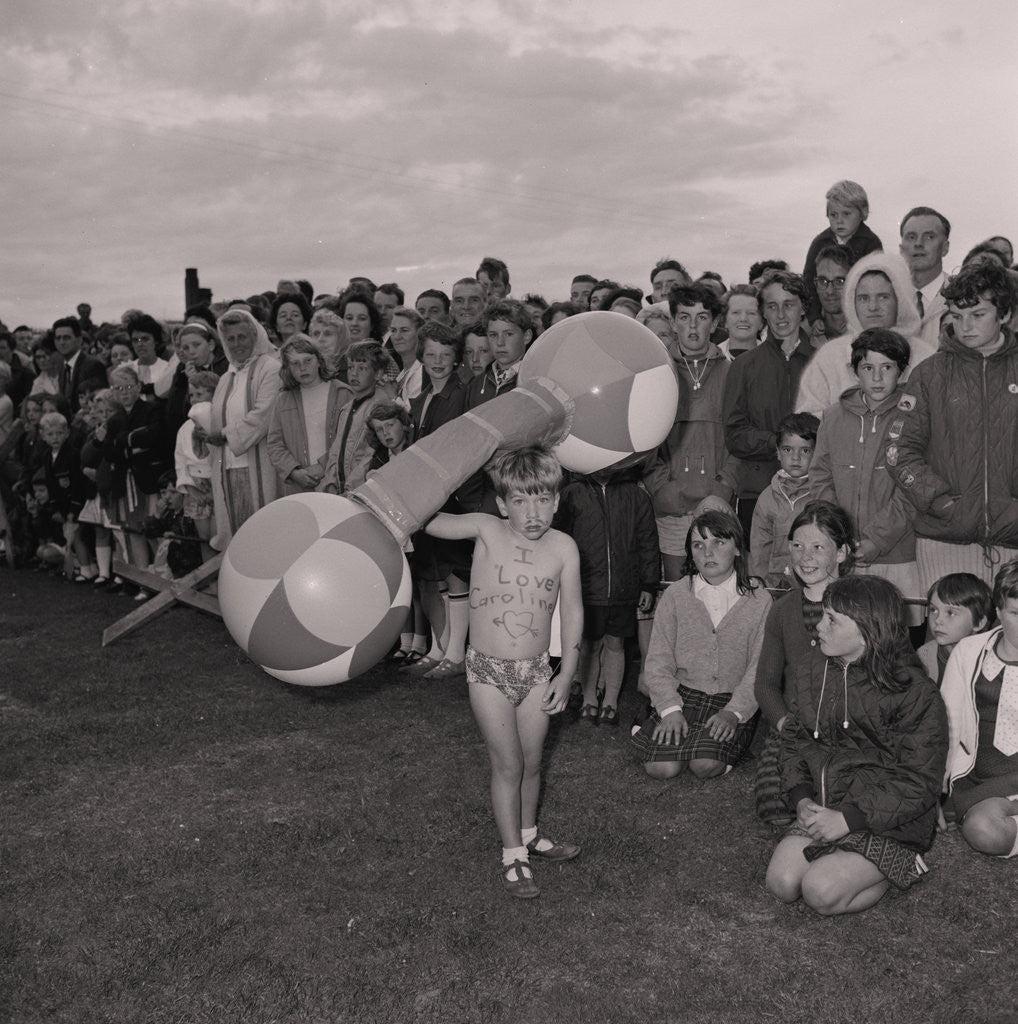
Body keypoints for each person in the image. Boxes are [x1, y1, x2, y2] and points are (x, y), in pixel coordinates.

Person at [423, 447, 582, 899]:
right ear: (500, 503)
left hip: (536, 671)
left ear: (556, 500)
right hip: (488, 671)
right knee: (507, 763)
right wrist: (417, 473)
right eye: (519, 501)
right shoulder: (485, 530)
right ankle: (513, 854)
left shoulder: (563, 547)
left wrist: (565, 673)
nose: (532, 513)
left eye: (542, 500)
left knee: (532, 762)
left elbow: (572, 612)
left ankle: (529, 832)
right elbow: (428, 519)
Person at [765, 576, 947, 915]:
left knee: (820, 892)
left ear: (866, 630)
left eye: (831, 619)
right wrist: (801, 797)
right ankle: (841, 857)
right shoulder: (811, 668)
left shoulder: (915, 692)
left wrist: (849, 819)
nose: (818, 625)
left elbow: (918, 781)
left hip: (889, 822)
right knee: (783, 883)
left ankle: (904, 863)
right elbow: (793, 740)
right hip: (824, 806)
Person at [887, 259, 1018, 591]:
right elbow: (898, 450)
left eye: (978, 315)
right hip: (943, 541)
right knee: (949, 642)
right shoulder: (929, 374)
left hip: (1014, 540)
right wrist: (940, 501)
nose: (966, 326)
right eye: (958, 317)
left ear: (1004, 314)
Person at [632, 509, 771, 779]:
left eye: (718, 542)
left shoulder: (759, 600)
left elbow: (759, 667)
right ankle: (652, 715)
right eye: (699, 545)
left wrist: (734, 712)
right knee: (661, 769)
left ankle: (728, 742)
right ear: (691, 554)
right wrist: (671, 710)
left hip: (732, 698)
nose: (708, 553)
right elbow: (658, 661)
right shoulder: (675, 596)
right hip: (684, 694)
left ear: (738, 549)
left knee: (704, 765)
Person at [810, 328, 924, 624]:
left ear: (902, 371)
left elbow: (913, 490)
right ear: (854, 371)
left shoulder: (914, 416)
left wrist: (876, 540)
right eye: (868, 368)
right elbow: (820, 478)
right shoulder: (833, 417)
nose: (877, 378)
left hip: (898, 554)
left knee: (897, 642)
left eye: (887, 368)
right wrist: (840, 535)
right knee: (848, 635)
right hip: (843, 554)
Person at [753, 501, 855, 825]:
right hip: (794, 727)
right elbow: (766, 685)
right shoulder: (782, 610)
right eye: (797, 546)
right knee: (775, 808)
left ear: (841, 553)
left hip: (847, 726)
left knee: (841, 795)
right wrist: (785, 725)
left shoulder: (860, 605)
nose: (805, 557)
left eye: (817, 547)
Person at [643, 284, 736, 580]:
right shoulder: (655, 373)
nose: (693, 326)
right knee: (676, 594)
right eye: (684, 317)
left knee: (718, 595)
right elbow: (643, 441)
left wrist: (724, 487)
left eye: (702, 317)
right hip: (671, 509)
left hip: (717, 503)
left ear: (716, 323)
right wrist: (661, 488)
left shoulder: (732, 372)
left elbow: (739, 438)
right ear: (673, 322)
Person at [556, 464, 659, 726]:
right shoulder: (572, 494)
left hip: (625, 588)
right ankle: (589, 698)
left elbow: (648, 542)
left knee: (616, 644)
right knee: (589, 645)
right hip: (587, 588)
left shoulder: (636, 496)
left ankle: (610, 700)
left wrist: (648, 584)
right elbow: (559, 540)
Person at [722, 270, 814, 540]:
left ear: (803, 308)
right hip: (758, 492)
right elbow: (735, 435)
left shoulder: (822, 363)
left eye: (789, 304)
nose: (781, 315)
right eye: (772, 306)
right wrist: (783, 444)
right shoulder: (743, 366)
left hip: (812, 493)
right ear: (763, 312)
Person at [405, 322, 470, 680]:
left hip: (452, 495)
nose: (438, 361)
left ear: (456, 357)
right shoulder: (423, 395)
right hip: (426, 497)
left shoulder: (460, 395)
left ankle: (457, 652)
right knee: (436, 576)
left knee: (456, 573)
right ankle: (440, 647)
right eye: (431, 354)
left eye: (446, 355)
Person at [940, 560, 1018, 857]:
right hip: (980, 780)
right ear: (997, 612)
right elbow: (945, 722)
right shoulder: (969, 651)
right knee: (982, 830)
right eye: (1015, 613)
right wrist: (933, 792)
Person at [794, 251, 930, 417]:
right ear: (852, 302)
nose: (873, 307)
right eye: (864, 298)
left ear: (900, 301)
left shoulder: (926, 360)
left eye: (883, 297)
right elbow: (806, 421)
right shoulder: (830, 357)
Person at [200, 309, 281, 551]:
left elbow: (263, 415)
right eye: (230, 339)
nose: (236, 344)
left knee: (261, 536)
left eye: (242, 337)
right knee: (236, 537)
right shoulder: (227, 377)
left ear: (255, 336)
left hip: (258, 464)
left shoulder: (270, 368)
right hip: (228, 466)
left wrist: (223, 435)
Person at [267, 335, 352, 495]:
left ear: (319, 361)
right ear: (287, 368)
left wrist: (323, 466)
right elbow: (274, 444)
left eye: (307, 360)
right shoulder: (283, 400)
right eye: (295, 363)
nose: (302, 367)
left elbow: (349, 438)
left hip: (337, 482)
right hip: (299, 486)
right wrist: (293, 471)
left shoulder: (343, 393)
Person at [750, 412, 818, 589]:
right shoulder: (767, 498)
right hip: (777, 586)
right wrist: (761, 585)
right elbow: (759, 548)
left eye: (805, 450)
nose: (796, 458)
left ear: (818, 453)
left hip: (817, 585)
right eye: (788, 450)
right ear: (778, 453)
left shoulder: (823, 495)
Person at [801, 180, 882, 329]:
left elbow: (874, 285)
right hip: (826, 317)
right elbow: (808, 283)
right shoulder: (819, 243)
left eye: (846, 213)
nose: (839, 220)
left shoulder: (871, 243)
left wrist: (855, 315)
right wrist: (814, 317)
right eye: (833, 215)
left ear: (862, 213)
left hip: (861, 317)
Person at [318, 341, 393, 495]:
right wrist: (330, 482)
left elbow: (371, 455)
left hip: (363, 492)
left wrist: (351, 488)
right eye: (351, 367)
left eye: (362, 368)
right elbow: (336, 451)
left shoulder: (380, 407)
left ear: (378, 373)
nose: (354, 373)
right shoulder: (346, 409)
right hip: (342, 492)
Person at [173, 370, 219, 562]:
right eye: (191, 395)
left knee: (218, 538)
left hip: (217, 486)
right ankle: (209, 583)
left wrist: (213, 491)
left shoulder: (218, 426)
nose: (194, 399)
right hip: (195, 487)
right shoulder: (184, 428)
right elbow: (181, 463)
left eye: (200, 394)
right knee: (203, 539)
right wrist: (192, 491)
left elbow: (221, 457)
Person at [916, 573, 993, 685]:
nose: (937, 620)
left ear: (979, 623)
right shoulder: (924, 655)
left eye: (951, 613)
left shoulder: (990, 661)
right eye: (933, 610)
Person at [899, 206, 952, 348]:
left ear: (945, 247)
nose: (918, 244)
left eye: (929, 237)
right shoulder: (888, 296)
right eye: (911, 237)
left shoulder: (961, 297)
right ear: (901, 248)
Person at [53, 317, 106, 414]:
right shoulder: (61, 365)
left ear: (79, 340)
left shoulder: (93, 365)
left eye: (66, 337)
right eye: (58, 338)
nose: (61, 342)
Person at [808, 245, 854, 345]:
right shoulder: (802, 334)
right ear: (815, 284)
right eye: (822, 281)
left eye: (839, 281)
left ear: (853, 283)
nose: (829, 291)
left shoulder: (867, 331)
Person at [387, 307, 424, 407]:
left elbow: (413, 417)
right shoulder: (402, 374)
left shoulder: (423, 372)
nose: (397, 336)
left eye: (404, 330)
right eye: (393, 330)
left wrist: (391, 395)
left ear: (419, 333)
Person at [719, 284, 763, 359]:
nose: (743, 319)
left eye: (751, 313)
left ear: (761, 323)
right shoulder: (708, 358)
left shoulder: (776, 359)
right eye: (736, 312)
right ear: (725, 320)